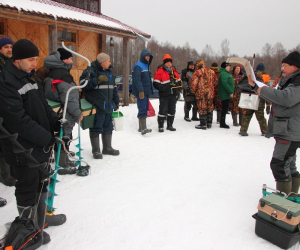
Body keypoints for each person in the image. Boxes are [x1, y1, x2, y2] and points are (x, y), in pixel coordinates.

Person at [0, 39, 67, 246]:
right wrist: (46, 137)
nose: (34, 63)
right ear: (17, 59)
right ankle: (29, 228)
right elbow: (17, 120)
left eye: (36, 59)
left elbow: (42, 104)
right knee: (28, 185)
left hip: (38, 144)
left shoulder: (31, 77)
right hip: (20, 146)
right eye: (30, 59)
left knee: (42, 180)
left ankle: (41, 219)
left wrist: (56, 122)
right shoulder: (6, 81)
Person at [248, 51, 300, 195]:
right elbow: (278, 97)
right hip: (288, 130)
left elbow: (285, 98)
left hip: (290, 131)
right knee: (289, 164)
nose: (282, 68)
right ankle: (292, 197)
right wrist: (256, 87)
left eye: (285, 65)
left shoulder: (297, 81)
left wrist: (262, 89)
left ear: (294, 66)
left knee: (279, 164)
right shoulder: (290, 80)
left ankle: (285, 200)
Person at [43, 48, 83, 174]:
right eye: (70, 58)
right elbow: (69, 97)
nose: (72, 61)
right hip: (65, 110)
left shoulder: (52, 72)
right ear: (64, 60)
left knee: (61, 134)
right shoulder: (63, 75)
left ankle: (63, 159)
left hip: (57, 109)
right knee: (64, 134)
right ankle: (62, 164)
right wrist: (78, 113)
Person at [80, 52, 120, 159]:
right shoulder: (90, 71)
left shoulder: (109, 72)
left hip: (108, 106)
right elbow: (83, 84)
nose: (110, 62)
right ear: (102, 63)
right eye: (108, 61)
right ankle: (96, 151)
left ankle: (107, 148)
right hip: (96, 105)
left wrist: (116, 101)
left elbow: (113, 89)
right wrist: (96, 80)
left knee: (108, 127)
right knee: (96, 127)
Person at [0, 37, 15, 187]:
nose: (9, 49)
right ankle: (5, 175)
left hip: (9, 107)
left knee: (8, 140)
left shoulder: (11, 64)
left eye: (11, 47)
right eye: (6, 47)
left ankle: (9, 172)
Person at [153, 54, 182, 132]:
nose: (169, 64)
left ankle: (170, 125)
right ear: (164, 63)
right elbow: (155, 83)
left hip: (173, 95)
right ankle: (161, 126)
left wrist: (178, 87)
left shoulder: (174, 71)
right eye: (167, 62)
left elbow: (179, 81)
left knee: (172, 110)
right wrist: (163, 88)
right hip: (164, 95)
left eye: (170, 62)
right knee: (163, 110)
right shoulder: (160, 71)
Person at [239, 63, 270, 136]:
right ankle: (265, 131)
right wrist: (268, 104)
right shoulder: (265, 77)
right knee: (260, 117)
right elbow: (267, 91)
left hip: (250, 97)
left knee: (247, 115)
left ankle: (243, 129)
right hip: (260, 99)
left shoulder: (251, 76)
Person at [190, 60, 217, 129]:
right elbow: (216, 82)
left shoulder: (197, 72)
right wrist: (211, 88)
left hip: (201, 93)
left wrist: (195, 91)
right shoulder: (212, 72)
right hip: (210, 94)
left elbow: (193, 84)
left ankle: (203, 123)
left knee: (202, 108)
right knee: (210, 108)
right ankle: (209, 122)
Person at [132, 49, 153, 135]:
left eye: (149, 56)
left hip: (146, 91)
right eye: (146, 56)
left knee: (145, 108)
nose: (148, 57)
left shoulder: (146, 65)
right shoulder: (138, 66)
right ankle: (143, 128)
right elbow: (137, 79)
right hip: (141, 92)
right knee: (142, 108)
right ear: (142, 56)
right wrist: (140, 90)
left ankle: (141, 128)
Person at [218, 62, 234, 129]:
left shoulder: (225, 73)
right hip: (225, 93)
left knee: (225, 108)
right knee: (225, 108)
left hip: (226, 93)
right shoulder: (224, 73)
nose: (229, 67)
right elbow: (225, 83)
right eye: (228, 66)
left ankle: (222, 122)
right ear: (225, 67)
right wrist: (230, 91)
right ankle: (222, 123)